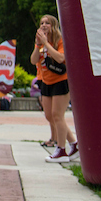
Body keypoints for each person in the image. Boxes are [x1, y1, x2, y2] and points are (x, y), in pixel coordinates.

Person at [32, 14, 78, 163]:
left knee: (57, 115)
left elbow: (60, 58)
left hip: (61, 81)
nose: (44, 25)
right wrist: (39, 45)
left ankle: (61, 150)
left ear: (53, 25)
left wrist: (46, 43)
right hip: (46, 82)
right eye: (42, 23)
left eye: (47, 23)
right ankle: (74, 144)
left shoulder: (59, 39)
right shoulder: (40, 43)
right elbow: (33, 60)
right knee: (49, 116)